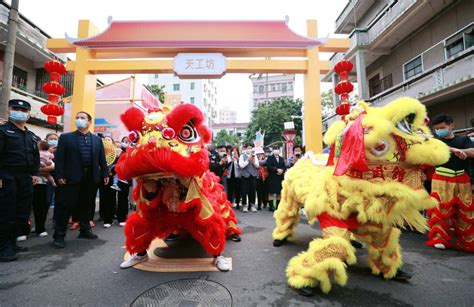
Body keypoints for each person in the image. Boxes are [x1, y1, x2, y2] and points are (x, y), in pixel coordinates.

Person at [52, 111, 109, 249]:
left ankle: (84, 230)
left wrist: (105, 173)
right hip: (70, 178)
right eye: (77, 118)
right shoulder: (66, 138)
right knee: (65, 206)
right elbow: (59, 159)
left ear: (89, 122)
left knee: (87, 205)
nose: (79, 120)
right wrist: (59, 175)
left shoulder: (97, 140)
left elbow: (102, 159)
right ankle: (59, 236)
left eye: (82, 118)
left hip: (90, 177)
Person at [426, 114, 474, 252]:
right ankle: (439, 238)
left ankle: (468, 240)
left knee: (466, 209)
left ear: (452, 125)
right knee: (440, 208)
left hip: (462, 178)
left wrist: (462, 151)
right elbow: (435, 149)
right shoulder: (436, 140)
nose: (439, 130)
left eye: (442, 127)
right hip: (441, 178)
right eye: (437, 128)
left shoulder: (463, 139)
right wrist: (453, 150)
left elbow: (472, 151)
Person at [0, 99, 40, 262]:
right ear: (9, 111)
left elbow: (35, 157)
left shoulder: (30, 135)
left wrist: (34, 173)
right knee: (6, 212)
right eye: (16, 109)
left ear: (29, 114)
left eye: (24, 110)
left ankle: (12, 242)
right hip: (7, 176)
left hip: (25, 177)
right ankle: (3, 247)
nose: (20, 112)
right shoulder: (3, 131)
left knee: (21, 212)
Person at [32, 140, 56, 238]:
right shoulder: (34, 153)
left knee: (42, 205)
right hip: (29, 181)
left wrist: (39, 169)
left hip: (42, 182)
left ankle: (40, 228)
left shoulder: (48, 154)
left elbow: (52, 167)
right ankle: (23, 230)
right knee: (25, 207)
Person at [239, 144, 259, 212]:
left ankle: (252, 205)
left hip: (253, 175)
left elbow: (257, 165)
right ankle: (244, 205)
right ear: (245, 149)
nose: (249, 149)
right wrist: (248, 160)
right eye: (248, 148)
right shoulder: (242, 156)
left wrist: (252, 160)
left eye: (251, 148)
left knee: (252, 191)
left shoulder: (255, 156)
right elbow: (241, 166)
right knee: (244, 191)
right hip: (245, 176)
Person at [266, 147, 286, 211]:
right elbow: (268, 166)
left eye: (277, 149)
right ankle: (271, 206)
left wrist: (282, 170)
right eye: (275, 149)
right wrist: (276, 169)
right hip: (272, 177)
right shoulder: (270, 158)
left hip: (280, 177)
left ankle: (278, 205)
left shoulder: (281, 158)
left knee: (279, 192)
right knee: (271, 192)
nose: (276, 150)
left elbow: (284, 166)